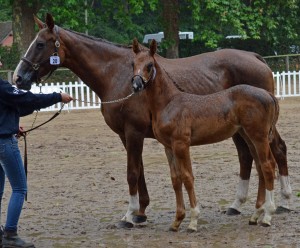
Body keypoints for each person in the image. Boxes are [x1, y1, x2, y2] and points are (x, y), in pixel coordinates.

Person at [0, 58, 73, 247]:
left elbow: (9, 107)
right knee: (19, 188)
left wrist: (12, 124)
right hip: (5, 143)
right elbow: (27, 99)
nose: (1, 64)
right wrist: (57, 97)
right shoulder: (3, 87)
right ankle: (10, 234)